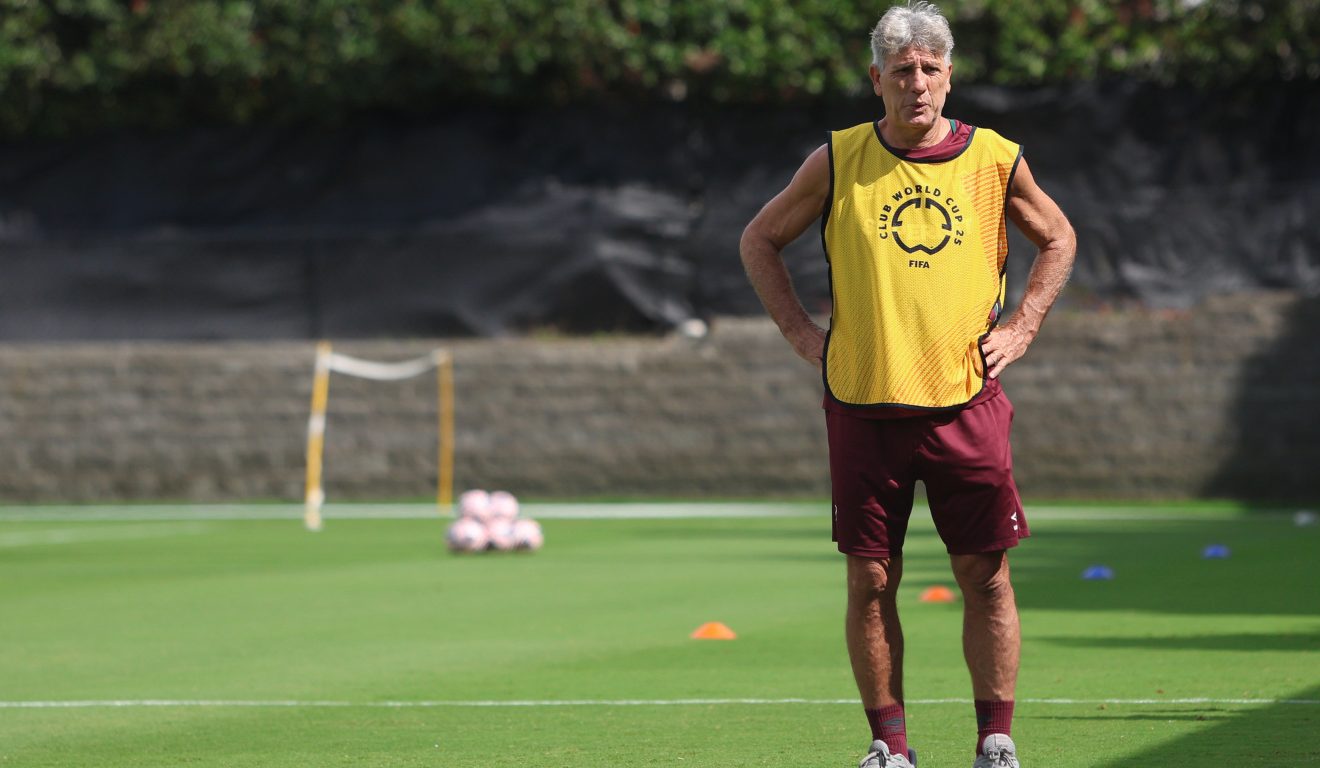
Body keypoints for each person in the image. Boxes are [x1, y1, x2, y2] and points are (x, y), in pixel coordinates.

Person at [739, 2, 1076, 767]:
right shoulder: (838, 158)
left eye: (930, 69)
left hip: (965, 402)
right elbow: (759, 238)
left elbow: (1058, 236)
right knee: (870, 580)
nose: (917, 84)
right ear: (876, 79)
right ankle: (889, 747)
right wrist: (799, 333)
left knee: (985, 576)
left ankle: (996, 739)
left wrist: (1021, 326)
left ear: (950, 76)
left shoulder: (995, 158)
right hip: (864, 404)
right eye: (901, 71)